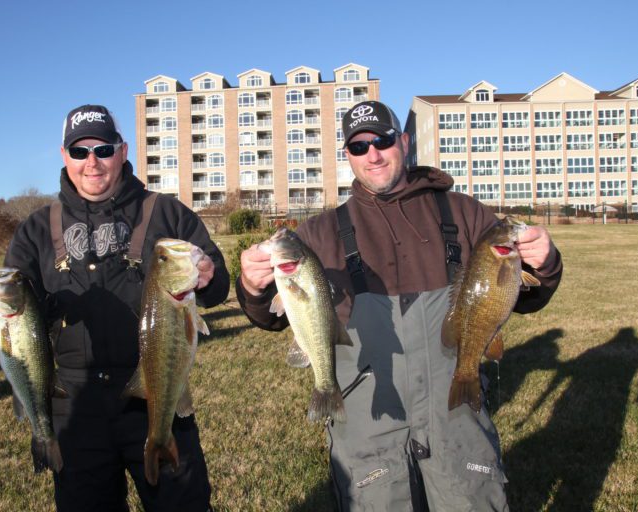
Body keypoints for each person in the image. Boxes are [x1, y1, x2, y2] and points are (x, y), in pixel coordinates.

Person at [236, 100, 562, 511]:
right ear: (347, 155)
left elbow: (526, 296)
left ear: (403, 142)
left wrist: (544, 262)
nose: (372, 154)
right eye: (358, 147)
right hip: (370, 426)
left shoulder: (464, 213)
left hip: (455, 416)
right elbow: (270, 317)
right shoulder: (318, 234)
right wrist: (252, 285)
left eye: (382, 140)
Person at [0, 104, 229, 512]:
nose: (92, 162)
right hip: (75, 407)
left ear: (123, 151)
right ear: (64, 157)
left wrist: (208, 275)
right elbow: (20, 303)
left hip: (154, 389)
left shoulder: (167, 212)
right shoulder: (36, 228)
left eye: (103, 149)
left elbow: (217, 290)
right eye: (79, 152)